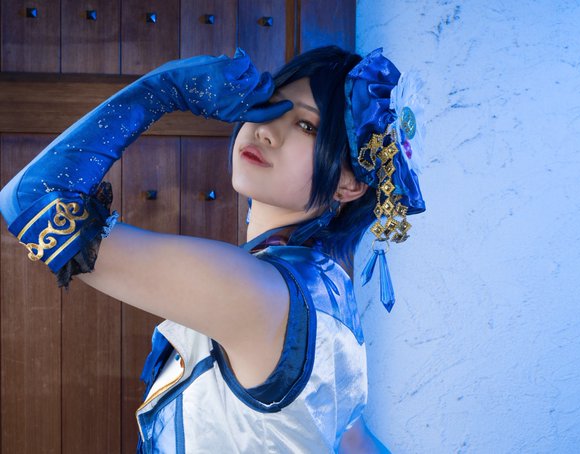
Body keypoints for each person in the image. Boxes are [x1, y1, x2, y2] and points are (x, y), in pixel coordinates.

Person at [0, 45, 424, 452]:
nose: (265, 129)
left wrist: (163, 91)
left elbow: (33, 199)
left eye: (306, 126)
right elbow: (352, 439)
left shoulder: (257, 291)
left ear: (349, 184)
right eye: (269, 104)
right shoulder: (323, 287)